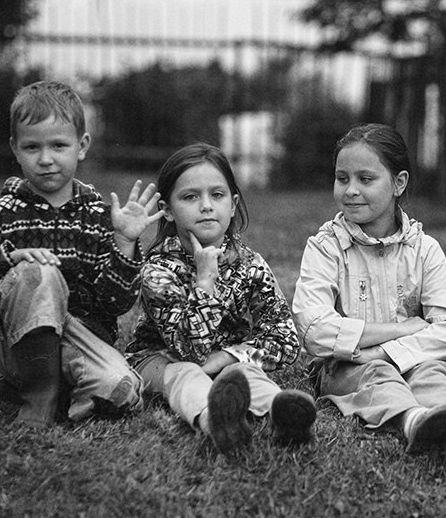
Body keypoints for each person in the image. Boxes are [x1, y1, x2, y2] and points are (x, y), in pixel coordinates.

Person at [0, 80, 161, 428]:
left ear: (82, 146)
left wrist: (124, 240)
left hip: (79, 340)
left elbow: (116, 304)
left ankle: (33, 387)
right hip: (16, 343)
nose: (46, 159)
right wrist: (9, 261)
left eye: (58, 145)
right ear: (14, 149)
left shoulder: (97, 216)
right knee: (39, 273)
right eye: (32, 147)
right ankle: (39, 398)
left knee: (123, 391)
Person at [292, 123, 446, 455]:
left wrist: (385, 351)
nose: (350, 190)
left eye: (365, 179)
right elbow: (313, 329)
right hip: (345, 366)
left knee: (433, 371)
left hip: (408, 358)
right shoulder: (325, 247)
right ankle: (415, 421)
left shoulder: (424, 249)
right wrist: (400, 329)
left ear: (398, 183)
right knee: (376, 374)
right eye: (342, 178)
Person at [126, 143, 316, 456]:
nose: (206, 206)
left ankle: (282, 418)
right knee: (186, 374)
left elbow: (285, 339)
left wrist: (231, 357)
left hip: (224, 358)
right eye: (190, 197)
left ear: (232, 203)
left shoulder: (250, 264)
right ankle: (214, 421)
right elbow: (189, 350)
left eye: (217, 195)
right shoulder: (158, 268)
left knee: (245, 373)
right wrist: (205, 281)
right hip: (160, 359)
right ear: (168, 209)